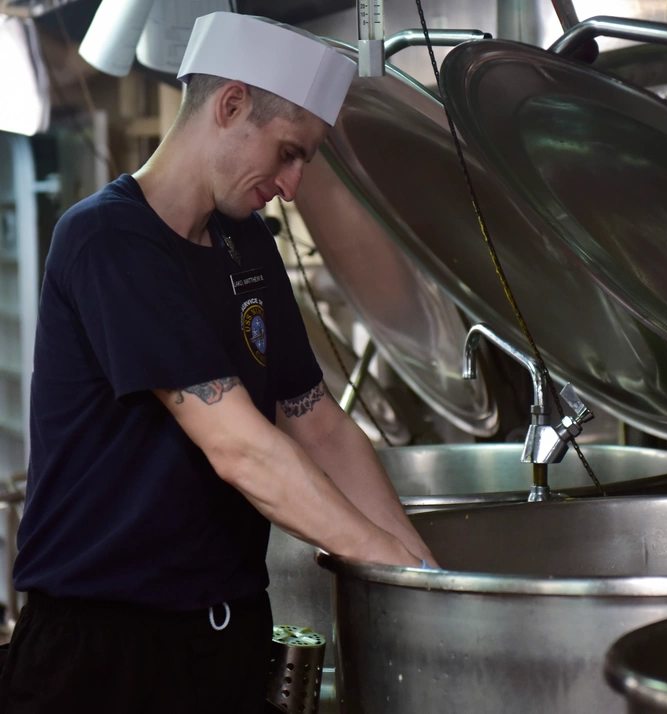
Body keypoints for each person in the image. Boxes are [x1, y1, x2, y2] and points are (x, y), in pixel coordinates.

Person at [0, 12, 436, 713]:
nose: (292, 185)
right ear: (231, 104)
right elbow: (239, 449)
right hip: (105, 652)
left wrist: (424, 572)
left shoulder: (245, 243)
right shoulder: (109, 240)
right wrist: (384, 561)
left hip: (226, 640)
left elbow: (318, 424)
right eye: (288, 152)